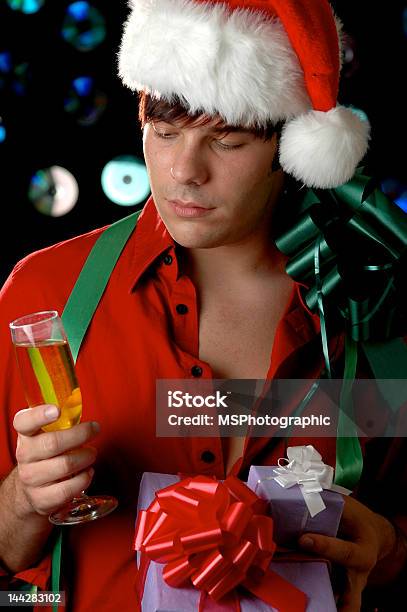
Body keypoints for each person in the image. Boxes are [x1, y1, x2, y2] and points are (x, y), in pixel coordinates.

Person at [0, 1, 406, 610]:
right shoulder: (45, 294)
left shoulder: (373, 300)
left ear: (290, 147)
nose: (185, 170)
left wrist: (389, 548)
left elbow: (398, 524)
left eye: (229, 140)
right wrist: (23, 500)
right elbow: (7, 558)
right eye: (164, 133)